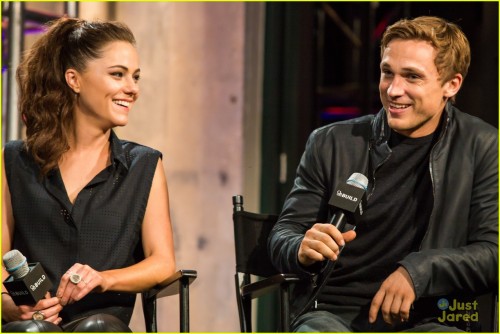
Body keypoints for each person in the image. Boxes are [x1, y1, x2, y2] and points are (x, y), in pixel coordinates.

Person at [268, 16, 497, 332]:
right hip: (331, 314)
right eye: (387, 72)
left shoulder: (483, 146)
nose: (394, 89)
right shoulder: (331, 142)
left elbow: (493, 253)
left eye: (412, 77)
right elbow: (284, 233)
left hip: (430, 317)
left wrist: (416, 273)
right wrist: (301, 248)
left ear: (451, 84)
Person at [2, 17, 176, 332]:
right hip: (31, 324)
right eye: (117, 75)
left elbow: (163, 264)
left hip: (102, 324)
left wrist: (104, 278)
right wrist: (6, 303)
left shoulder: (143, 164)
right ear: (74, 80)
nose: (132, 89)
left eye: (135, 77)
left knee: (99, 328)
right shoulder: (13, 161)